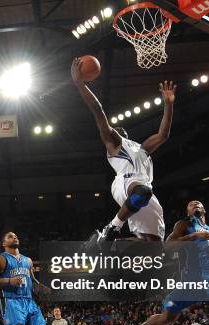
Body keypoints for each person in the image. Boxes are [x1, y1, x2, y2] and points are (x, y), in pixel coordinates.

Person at [71, 58, 176, 243]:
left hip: (145, 191)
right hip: (127, 183)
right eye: (113, 129)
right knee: (142, 192)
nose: (117, 130)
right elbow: (98, 110)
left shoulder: (140, 148)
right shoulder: (114, 142)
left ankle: (104, 246)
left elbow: (163, 135)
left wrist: (168, 104)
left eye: (120, 129)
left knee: (152, 245)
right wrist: (80, 84)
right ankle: (112, 227)